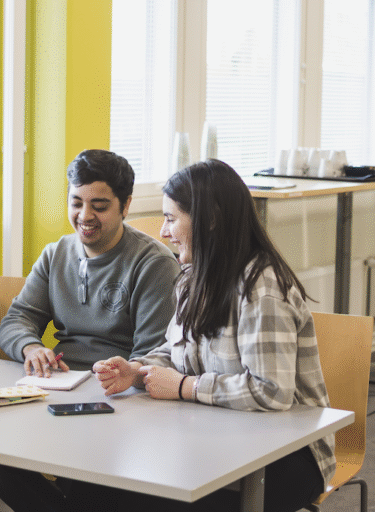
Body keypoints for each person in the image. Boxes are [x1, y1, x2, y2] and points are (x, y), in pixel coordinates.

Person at [73, 159, 334, 511]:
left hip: (287, 455)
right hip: (215, 435)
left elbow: (271, 391)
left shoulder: (262, 288)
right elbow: (176, 350)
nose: (163, 232)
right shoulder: (192, 277)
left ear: (209, 219)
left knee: (142, 498)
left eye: (170, 218)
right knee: (94, 488)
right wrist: (137, 370)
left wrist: (184, 387)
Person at [0, 149, 181, 512]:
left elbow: (154, 356)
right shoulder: (56, 254)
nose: (85, 216)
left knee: (91, 482)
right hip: (60, 393)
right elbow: (16, 320)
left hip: (120, 401)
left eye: (99, 206)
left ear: (125, 205)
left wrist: (125, 374)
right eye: (76, 202)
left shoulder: (154, 264)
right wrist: (29, 348)